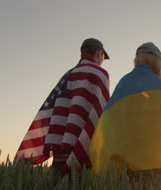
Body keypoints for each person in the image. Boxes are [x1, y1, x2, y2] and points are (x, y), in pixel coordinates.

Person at [89, 42, 161, 184]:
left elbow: (106, 128)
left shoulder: (122, 85)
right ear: (158, 63)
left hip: (119, 177)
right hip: (156, 175)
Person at [16, 38, 111, 172]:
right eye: (103, 57)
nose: (102, 61)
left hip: (60, 149)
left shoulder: (68, 75)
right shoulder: (100, 74)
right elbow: (102, 113)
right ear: (99, 53)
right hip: (83, 150)